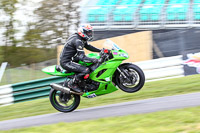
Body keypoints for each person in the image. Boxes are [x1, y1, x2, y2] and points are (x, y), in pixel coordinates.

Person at [60, 24, 101, 93]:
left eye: (90, 32)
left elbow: (88, 46)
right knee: (86, 70)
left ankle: (85, 84)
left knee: (89, 66)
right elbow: (82, 57)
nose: (90, 34)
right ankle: (72, 84)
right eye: (88, 32)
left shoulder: (80, 38)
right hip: (66, 62)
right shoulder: (77, 41)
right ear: (82, 32)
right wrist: (93, 59)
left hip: (72, 59)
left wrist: (101, 50)